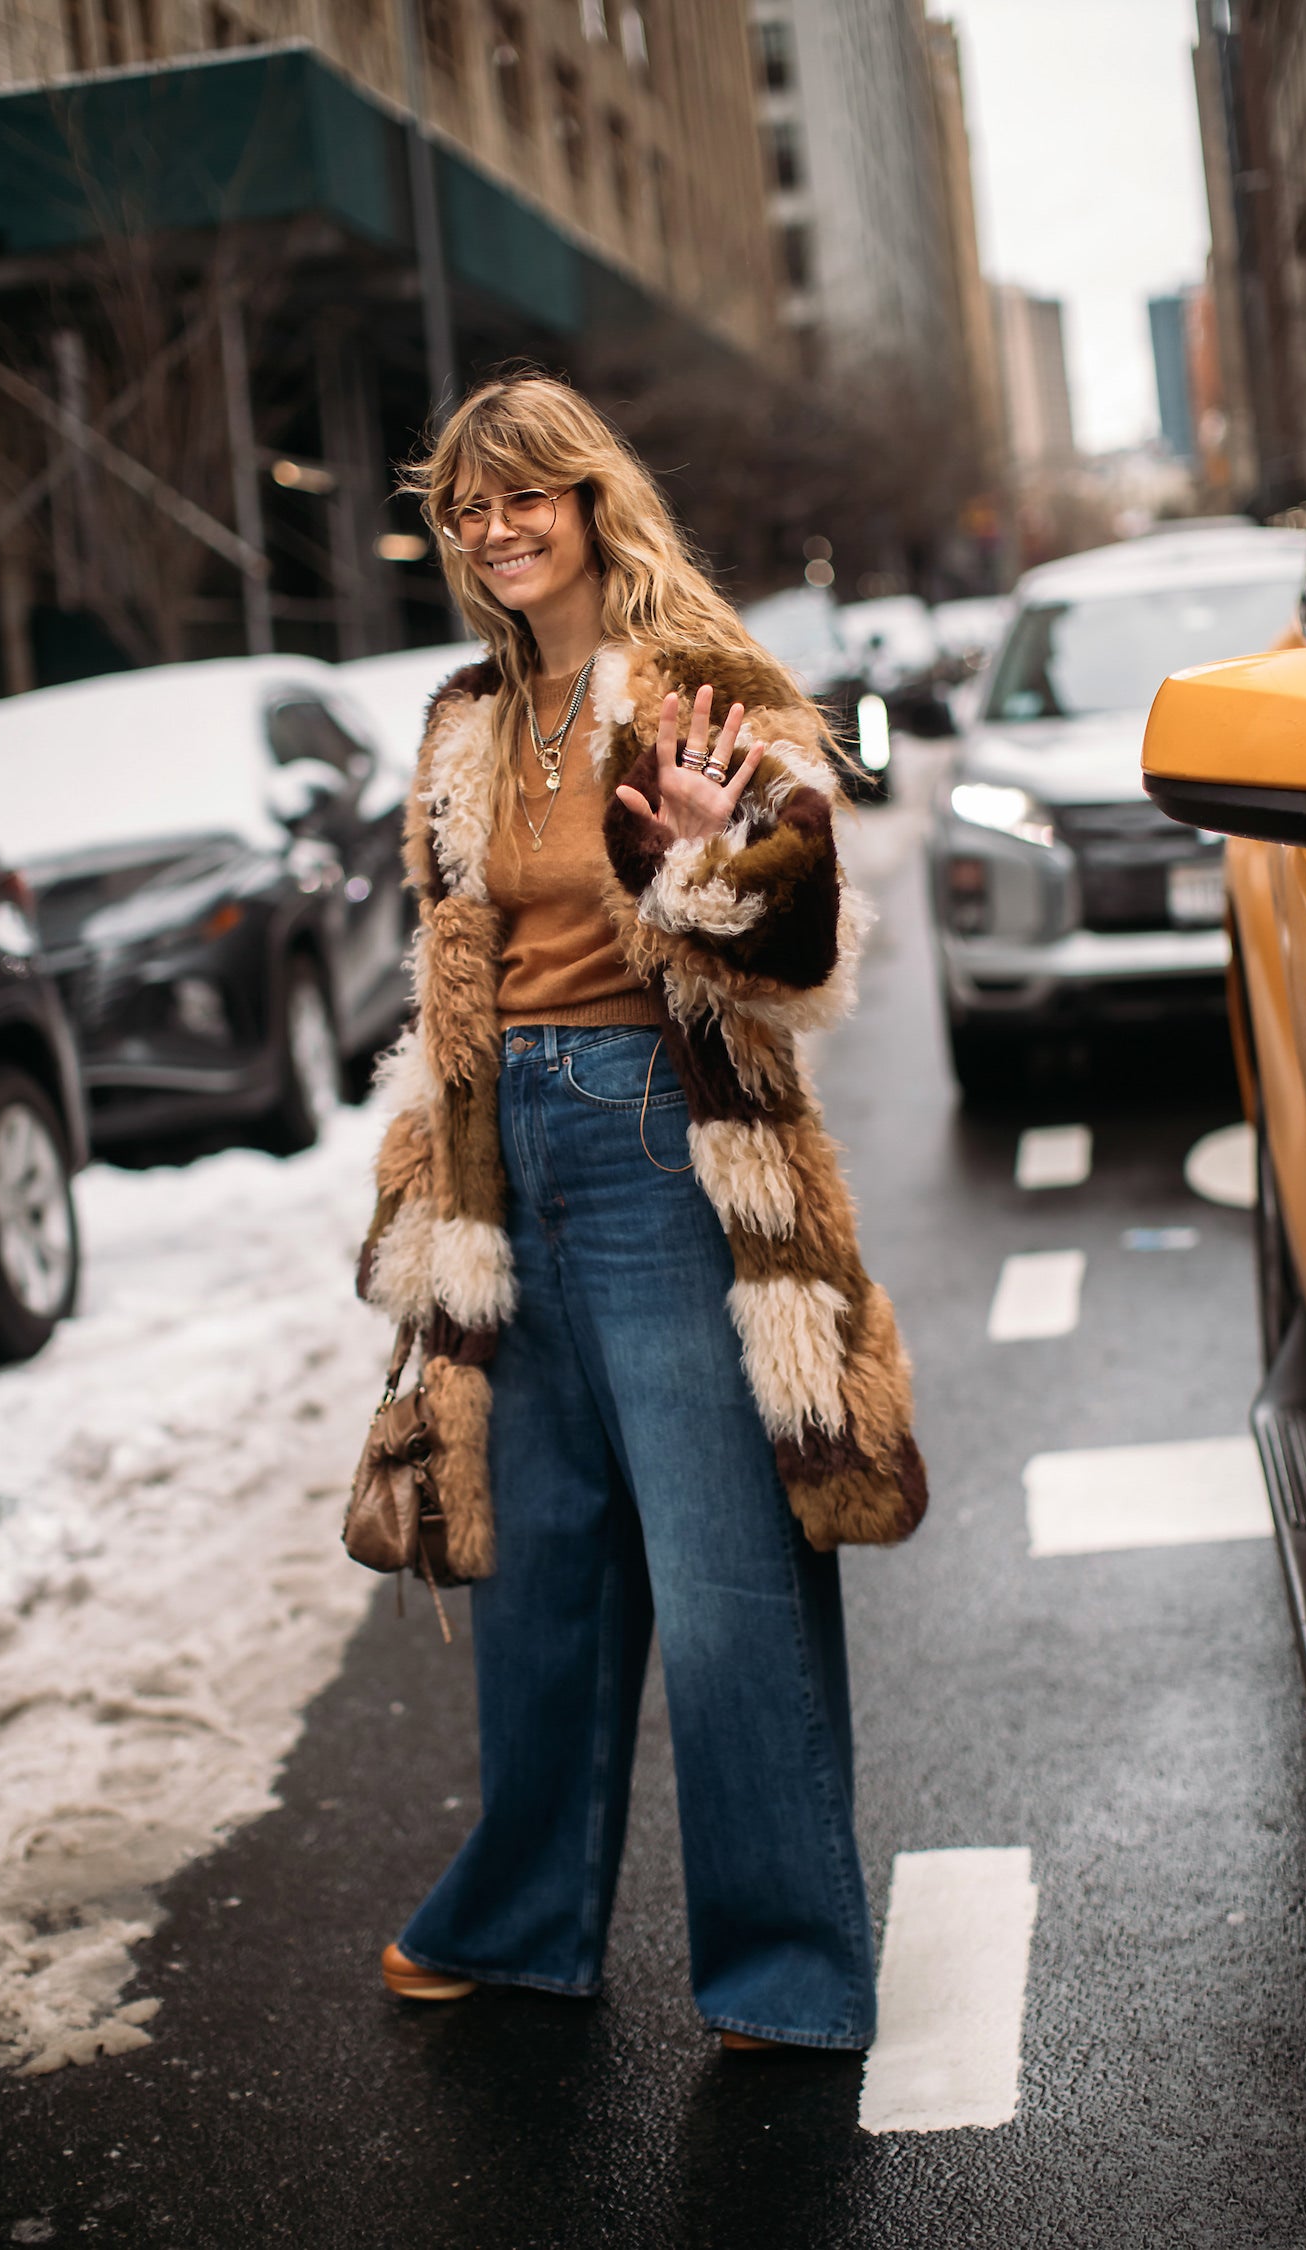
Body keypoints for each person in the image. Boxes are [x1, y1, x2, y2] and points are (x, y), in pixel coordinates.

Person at [356, 372, 927, 2052]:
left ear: (594, 499)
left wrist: (707, 851)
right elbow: (456, 973)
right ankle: (524, 1917)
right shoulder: (466, 719)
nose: (494, 528)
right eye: (467, 508)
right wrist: (431, 1180)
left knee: (724, 1561)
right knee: (541, 1568)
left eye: (523, 494)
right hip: (501, 1153)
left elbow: (804, 937)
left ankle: (788, 1967)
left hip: (657, 1138)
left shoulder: (695, 685)